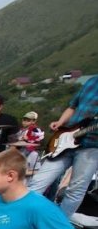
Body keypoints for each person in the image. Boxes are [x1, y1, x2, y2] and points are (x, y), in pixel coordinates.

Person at [27, 77, 98, 218]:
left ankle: (59, 225)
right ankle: (24, 217)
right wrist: (60, 122)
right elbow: (73, 106)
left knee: (76, 190)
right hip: (67, 137)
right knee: (38, 181)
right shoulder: (92, 81)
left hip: (92, 146)